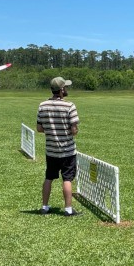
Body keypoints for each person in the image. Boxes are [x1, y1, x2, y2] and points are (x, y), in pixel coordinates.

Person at [36, 77, 81, 216]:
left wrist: (51, 130)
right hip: (67, 151)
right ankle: (68, 209)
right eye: (65, 87)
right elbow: (74, 130)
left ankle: (44, 206)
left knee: (49, 177)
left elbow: (39, 128)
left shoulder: (42, 105)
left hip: (51, 150)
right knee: (67, 179)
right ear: (61, 90)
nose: (66, 89)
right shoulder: (69, 106)